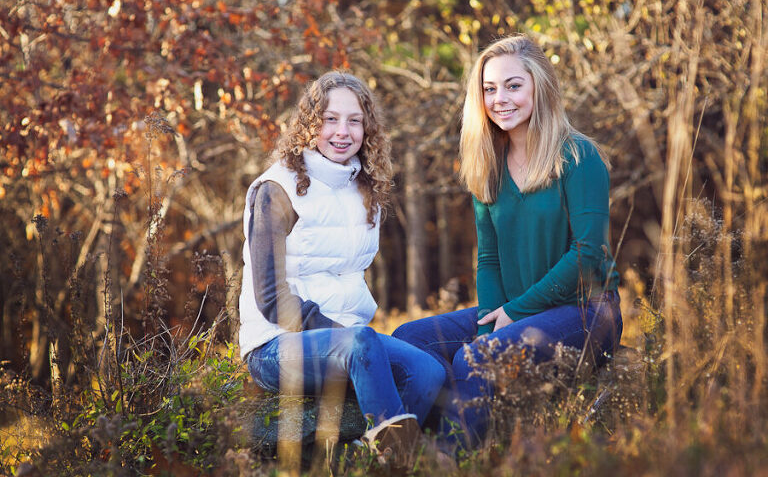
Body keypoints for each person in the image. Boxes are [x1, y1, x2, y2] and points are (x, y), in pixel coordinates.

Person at [392, 34, 623, 449]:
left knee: (477, 358)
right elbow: (489, 259)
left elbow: (589, 254)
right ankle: (409, 448)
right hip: (516, 308)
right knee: (411, 339)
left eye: (513, 86)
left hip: (586, 311)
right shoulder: (488, 164)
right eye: (489, 89)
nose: (500, 99)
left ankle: (448, 459)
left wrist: (514, 313)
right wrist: (488, 319)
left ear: (540, 86)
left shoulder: (578, 157)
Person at [239, 71, 445, 466]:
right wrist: (341, 333)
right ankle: (400, 464)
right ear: (309, 124)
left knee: (427, 370)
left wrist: (349, 336)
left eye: (354, 121)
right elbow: (270, 298)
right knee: (361, 342)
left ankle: (371, 462)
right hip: (276, 346)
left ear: (367, 129)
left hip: (350, 341)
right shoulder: (276, 189)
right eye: (330, 119)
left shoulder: (365, 188)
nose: (342, 132)